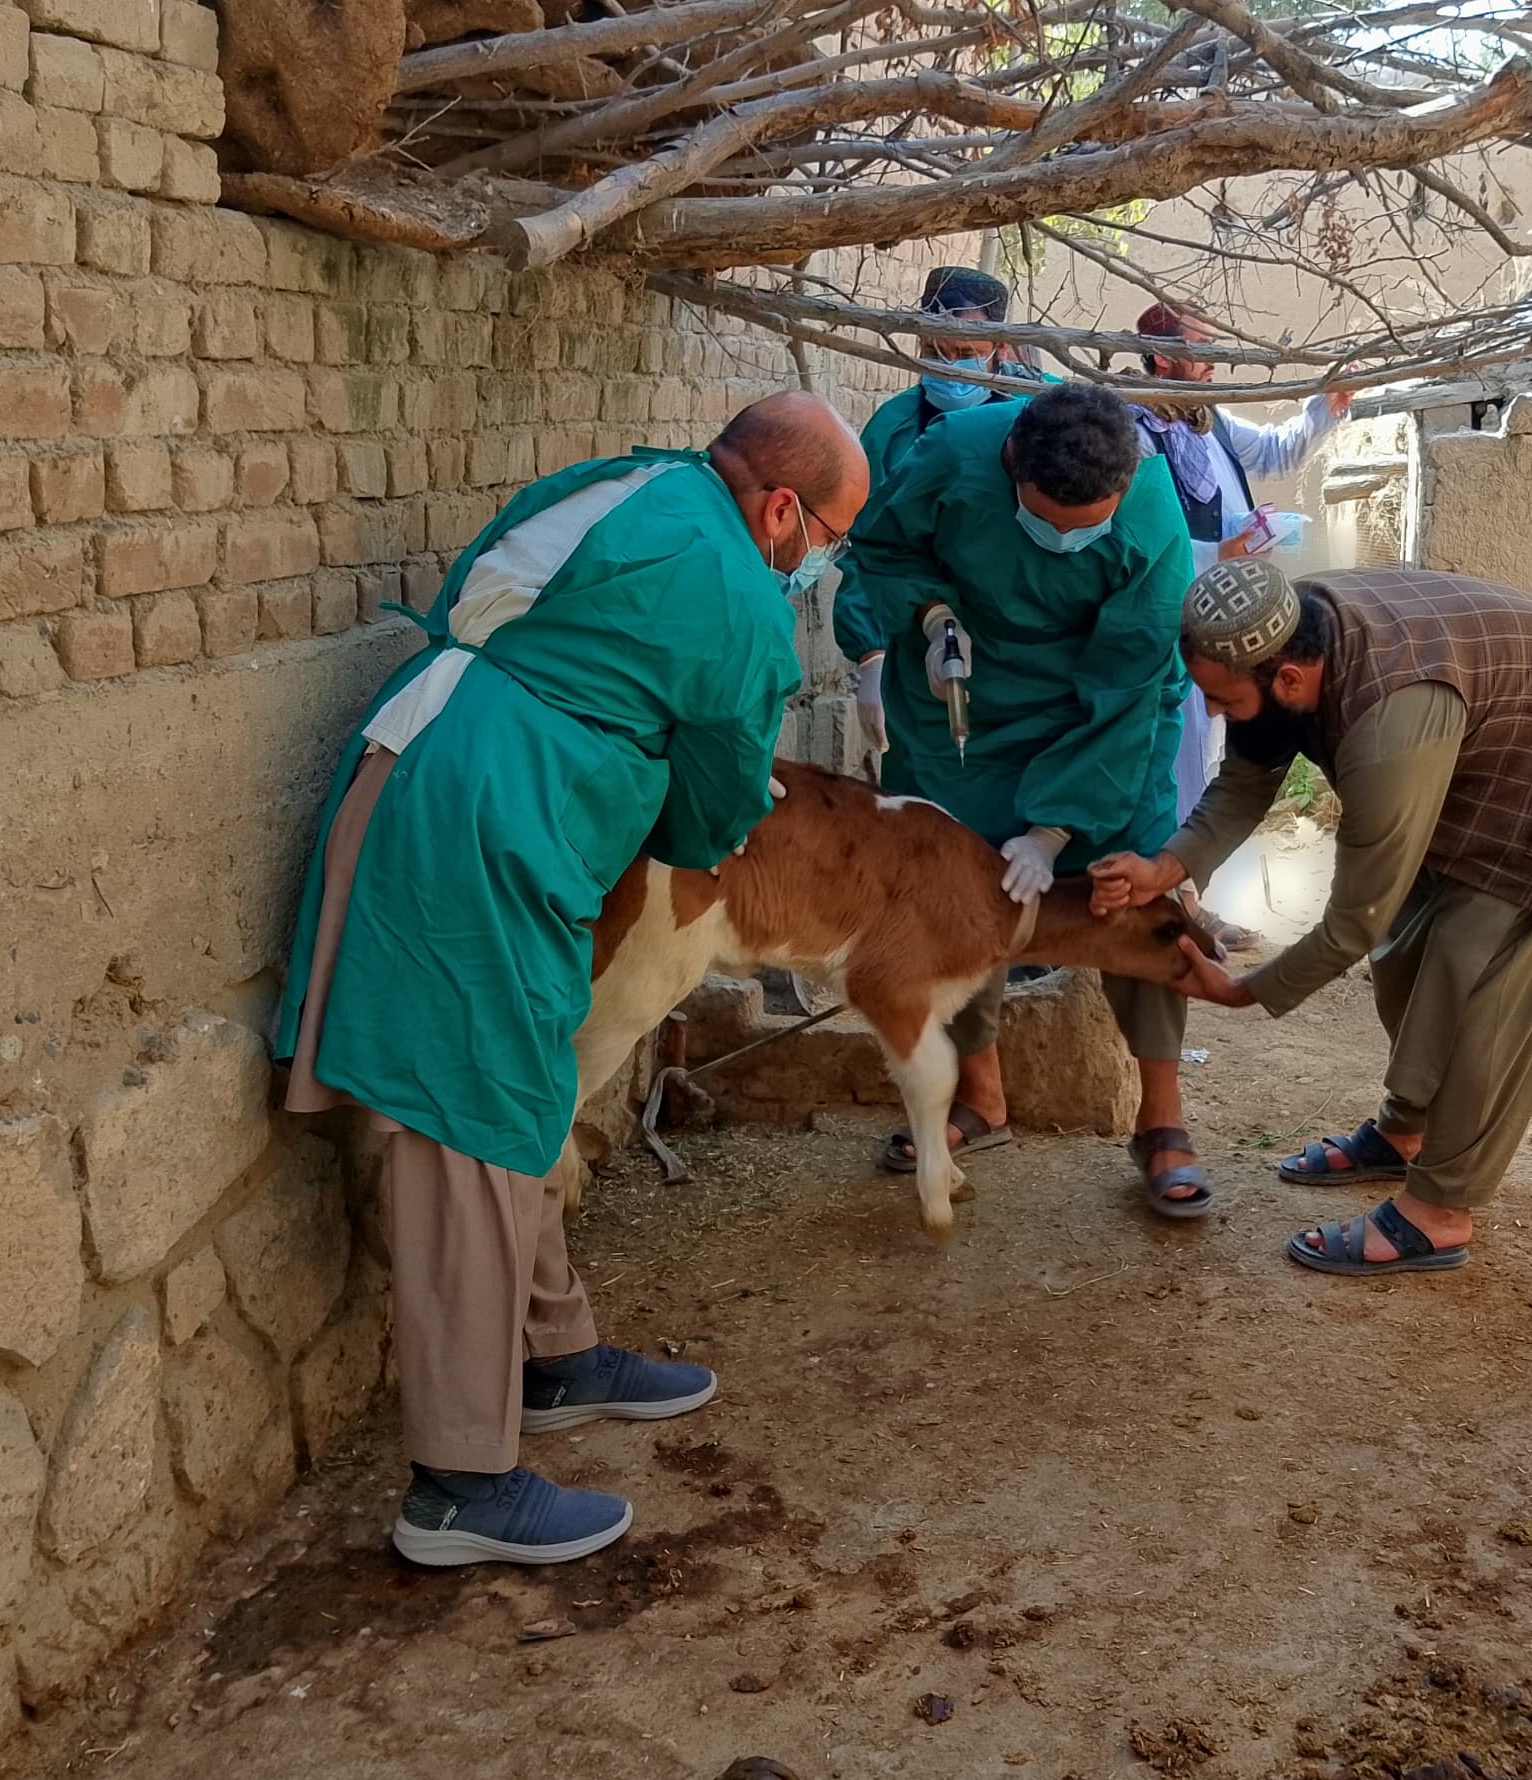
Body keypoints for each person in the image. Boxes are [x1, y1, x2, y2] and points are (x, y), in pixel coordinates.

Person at [272, 391, 870, 1566]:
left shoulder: (634, 482)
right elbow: (715, 810)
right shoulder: (743, 596)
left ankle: (553, 1353)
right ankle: (458, 1482)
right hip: (485, 819)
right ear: (785, 508)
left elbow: (476, 604)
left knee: (523, 1082)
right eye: (830, 536)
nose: (821, 562)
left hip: (455, 772)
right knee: (469, 1122)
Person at [1092, 558, 1532, 1273]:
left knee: (1477, 979)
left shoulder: (1387, 721)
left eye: (1220, 701)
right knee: (1407, 948)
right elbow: (1246, 781)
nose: (1211, 712)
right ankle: (1407, 1131)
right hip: (1483, 749)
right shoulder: (1279, 640)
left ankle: (1439, 1210)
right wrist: (1169, 865)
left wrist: (1245, 990)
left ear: (1286, 681)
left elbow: (1350, 923)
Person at [847, 380, 1209, 1216]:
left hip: (1101, 714)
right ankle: (981, 1094)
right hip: (962, 703)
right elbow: (883, 547)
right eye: (1045, 522)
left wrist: (1055, 827)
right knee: (951, 892)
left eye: (1083, 536)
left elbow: (1128, 681)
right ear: (1013, 464)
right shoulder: (950, 453)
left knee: (1131, 886)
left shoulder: (1150, 514)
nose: (1059, 545)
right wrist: (935, 617)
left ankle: (1161, 1119)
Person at [1128, 303, 1354, 948]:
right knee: (1173, 757)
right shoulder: (1139, 428)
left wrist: (1325, 405)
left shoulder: (1209, 419)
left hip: (1218, 615)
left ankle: (1190, 897)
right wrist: (1217, 557)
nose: (1216, 361)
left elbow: (1277, 450)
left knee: (1203, 754)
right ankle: (1175, 902)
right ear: (1163, 356)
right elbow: (1140, 537)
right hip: (1167, 616)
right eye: (1201, 348)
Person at [835, 266, 1049, 761]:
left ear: (999, 350)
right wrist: (870, 656)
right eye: (935, 352)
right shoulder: (893, 429)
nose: (950, 368)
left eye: (967, 354)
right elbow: (862, 543)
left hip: (1024, 648)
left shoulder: (1039, 411)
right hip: (920, 644)